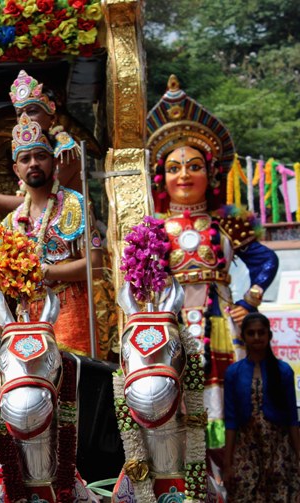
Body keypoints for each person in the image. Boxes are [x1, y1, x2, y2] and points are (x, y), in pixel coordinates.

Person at [146, 75, 279, 449]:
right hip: (170, 327)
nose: (184, 174)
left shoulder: (226, 219)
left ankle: (232, 475)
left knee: (230, 407)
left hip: (220, 323)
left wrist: (249, 300)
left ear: (211, 172)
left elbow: (265, 260)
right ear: (162, 178)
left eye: (193, 166)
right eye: (174, 168)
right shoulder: (153, 228)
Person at [3, 112, 102, 355]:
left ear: (54, 162)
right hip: (28, 323)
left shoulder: (76, 205)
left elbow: (96, 266)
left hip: (72, 316)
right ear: (17, 169)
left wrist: (47, 271)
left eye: (41, 156)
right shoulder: (10, 223)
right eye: (25, 159)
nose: (34, 163)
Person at [0, 70, 82, 212]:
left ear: (52, 117)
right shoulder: (29, 147)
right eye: (20, 113)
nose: (25, 118)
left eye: (32, 111)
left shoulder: (65, 150)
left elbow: (39, 203)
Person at [223, 312, 300, 501]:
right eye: (251, 333)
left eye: (261, 333)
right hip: (246, 449)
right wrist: (227, 464)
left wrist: (299, 457)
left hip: (279, 451)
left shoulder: (283, 371)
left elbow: (292, 419)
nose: (256, 337)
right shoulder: (234, 372)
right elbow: (231, 421)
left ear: (269, 335)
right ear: (244, 337)